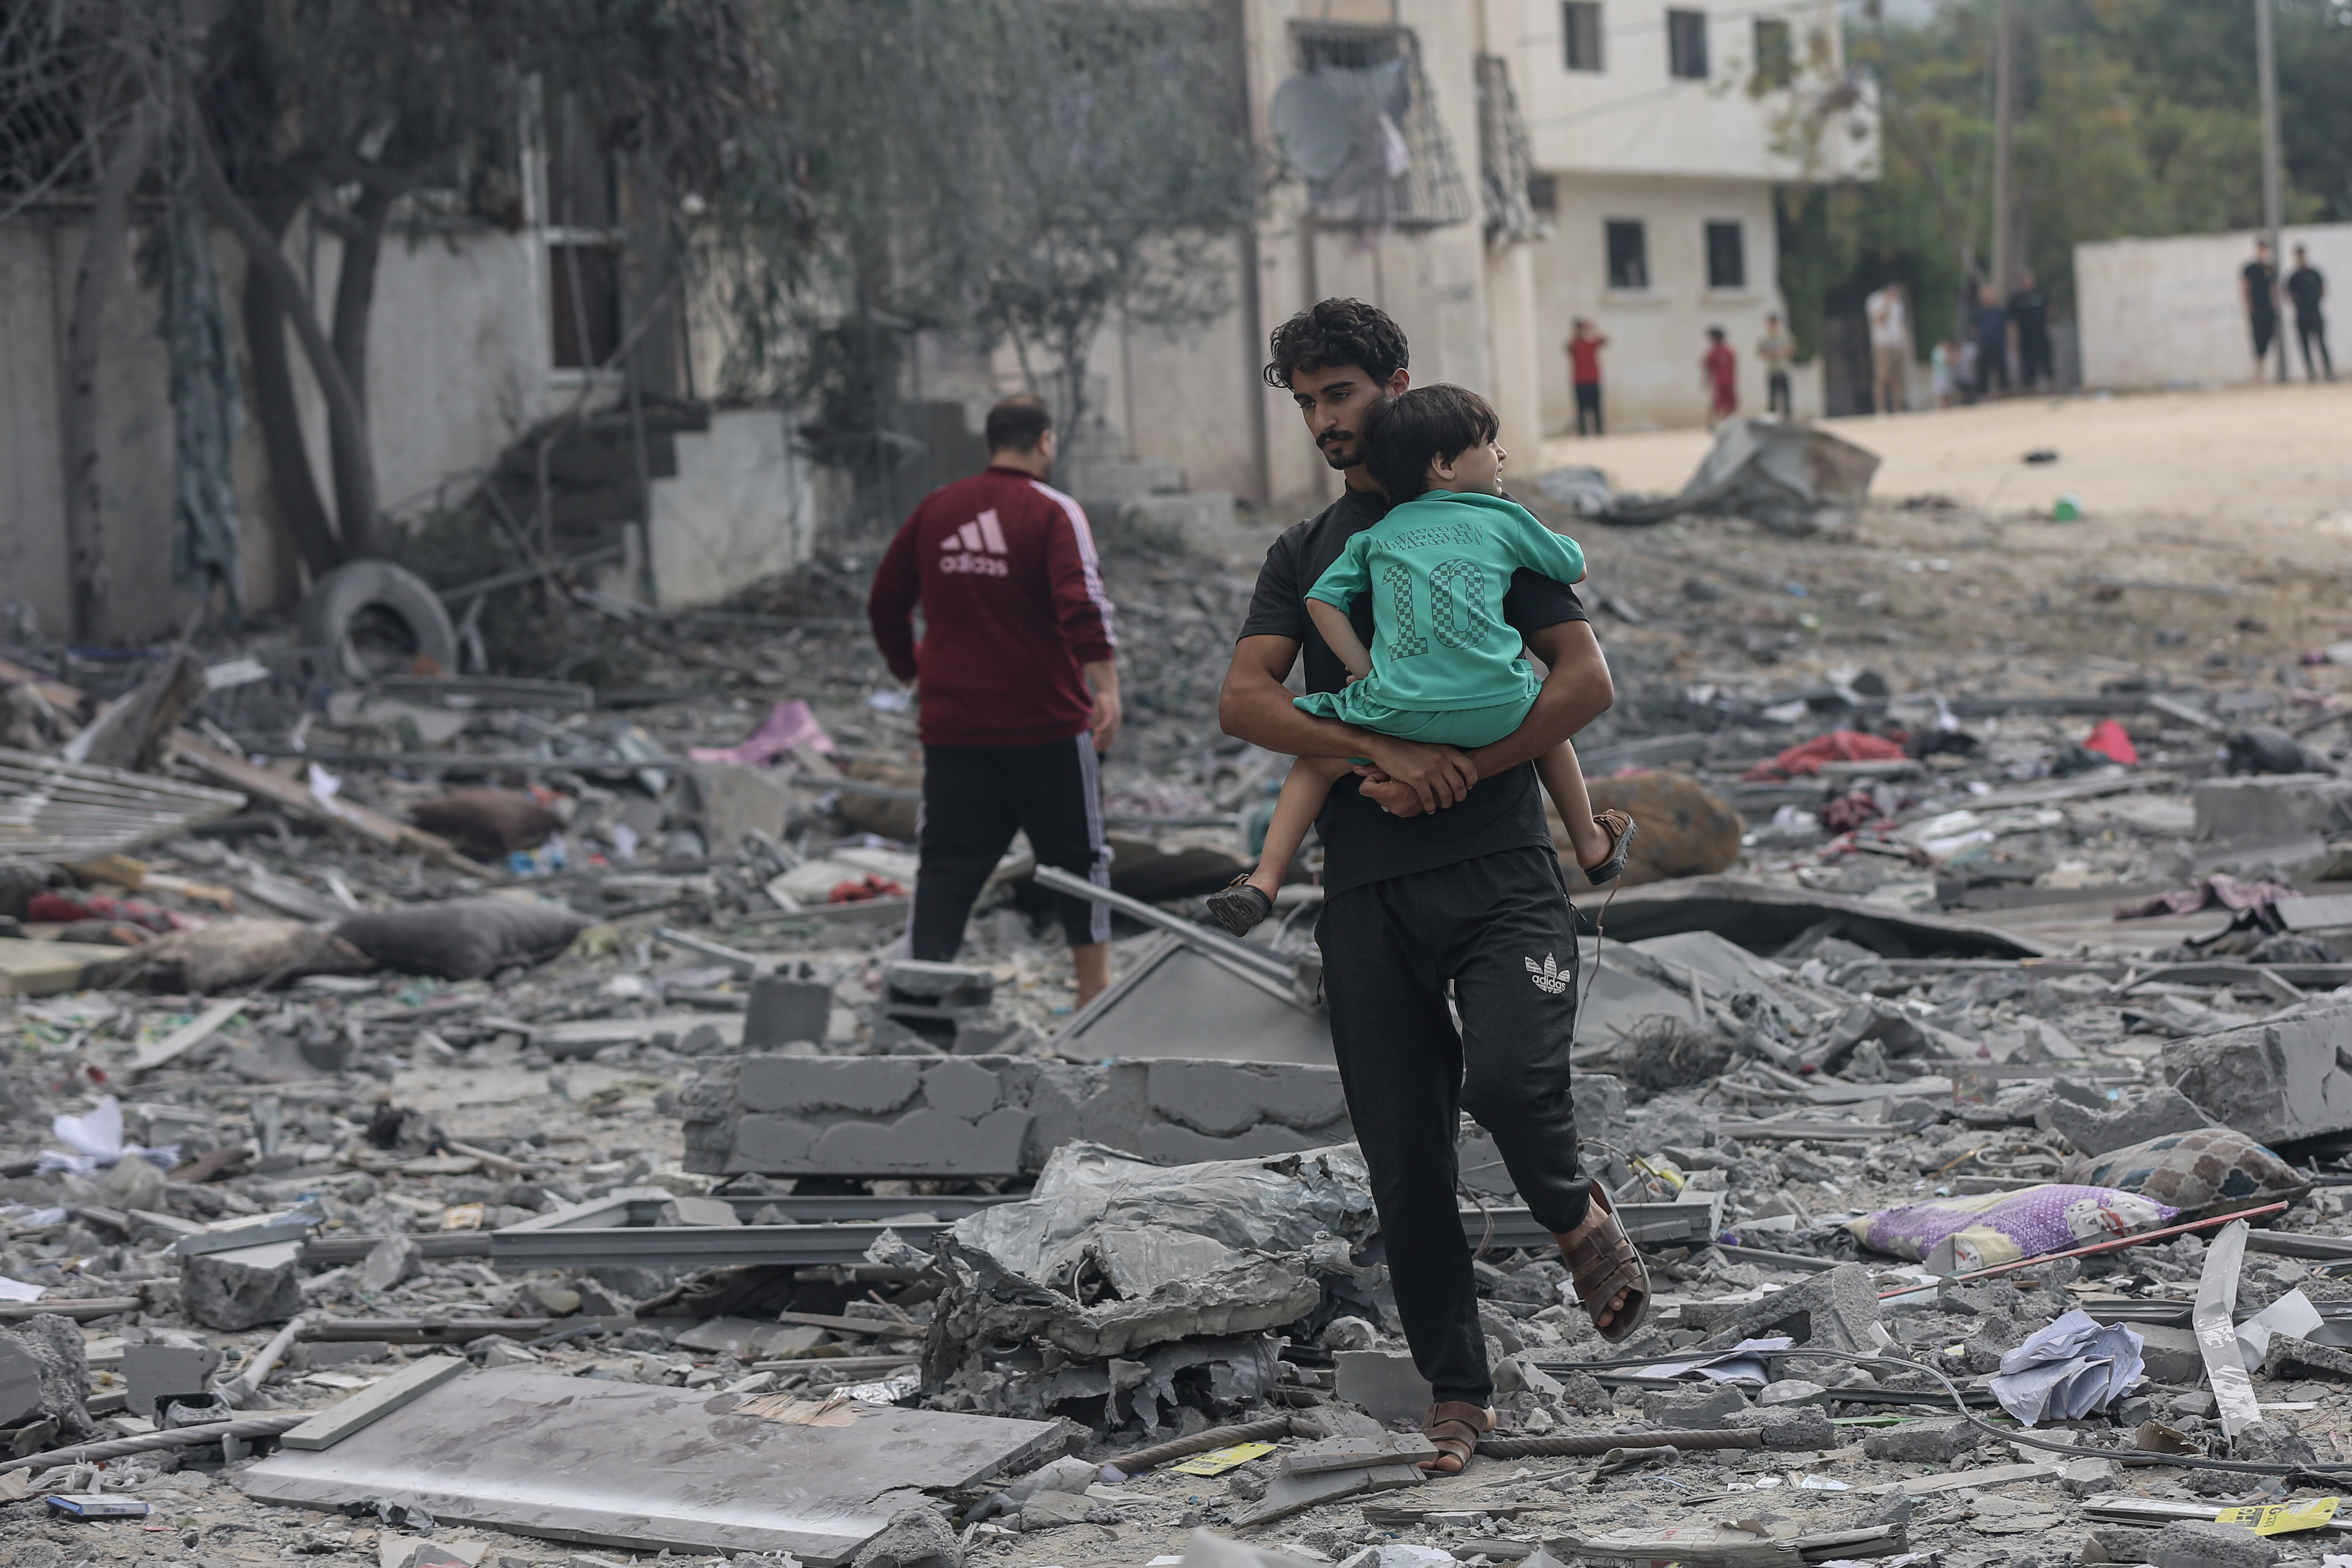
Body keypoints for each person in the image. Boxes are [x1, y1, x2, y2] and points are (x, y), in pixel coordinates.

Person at [1214, 298, 1648, 1479]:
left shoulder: (1480, 525)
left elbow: (1581, 679)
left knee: (1512, 1084)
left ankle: (1574, 1214)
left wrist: (1467, 770)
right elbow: (1247, 701)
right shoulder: (1308, 555)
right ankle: (1459, 1397)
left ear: (1394, 387)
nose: (1323, 423)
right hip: (1366, 890)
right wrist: (1386, 757)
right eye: (1304, 403)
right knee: (1405, 1160)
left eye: (1340, 396)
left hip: (1501, 873)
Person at [1205, 384, 1633, 937]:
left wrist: (1365, 670)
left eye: (1338, 393)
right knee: (1547, 720)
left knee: (1314, 758)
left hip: (1399, 707)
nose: (1502, 454)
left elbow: (1321, 601)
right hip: (1496, 710)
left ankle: (1264, 878)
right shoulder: (1503, 518)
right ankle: (1593, 842)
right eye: (1491, 443)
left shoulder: (1374, 535)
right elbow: (1571, 565)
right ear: (1444, 464)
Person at [866, 394, 1122, 1008]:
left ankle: (921, 999)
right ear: (1044, 443)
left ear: (989, 445)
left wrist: (911, 670)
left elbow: (884, 600)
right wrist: (1105, 685)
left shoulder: (937, 509)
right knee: (1076, 859)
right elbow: (1080, 602)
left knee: (948, 862)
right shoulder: (1054, 512)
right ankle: (1093, 995)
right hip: (1047, 727)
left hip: (955, 728)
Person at [2288, 245, 2332, 382]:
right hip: (2302, 315)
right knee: (2305, 346)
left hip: (2315, 313)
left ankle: (2329, 373)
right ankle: (2311, 375)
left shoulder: (2314, 273)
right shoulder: (2294, 278)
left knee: (2322, 343)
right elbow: (2289, 295)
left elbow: (2322, 290)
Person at [1864, 279, 1909, 414]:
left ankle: (1897, 409)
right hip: (1882, 344)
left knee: (1898, 379)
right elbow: (1879, 320)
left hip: (1897, 344)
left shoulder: (1898, 302)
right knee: (1882, 377)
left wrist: (1905, 343)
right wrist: (1888, 304)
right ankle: (1881, 409)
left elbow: (1900, 324)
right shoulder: (1875, 300)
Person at [2008, 269, 2052, 391]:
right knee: (2028, 364)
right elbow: (2012, 322)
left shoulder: (2041, 294)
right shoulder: (2016, 300)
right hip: (2025, 337)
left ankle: (2051, 387)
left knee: (2046, 361)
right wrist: (2014, 340)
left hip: (2041, 335)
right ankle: (2031, 390)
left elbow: (2049, 311)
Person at [2244, 238, 2279, 384]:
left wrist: (2275, 307)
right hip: (2257, 311)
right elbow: (2245, 288)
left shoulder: (2270, 268)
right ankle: (2259, 375)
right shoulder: (2250, 269)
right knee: (2258, 342)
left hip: (2269, 311)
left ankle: (2266, 374)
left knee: (2268, 341)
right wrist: (2249, 308)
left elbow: (2273, 289)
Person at [1565, 319, 1607, 436]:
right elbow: (1568, 348)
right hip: (1579, 382)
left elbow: (1604, 340)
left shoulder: (1592, 342)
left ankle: (1599, 431)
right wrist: (1578, 335)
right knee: (1581, 410)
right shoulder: (1575, 345)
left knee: (1597, 408)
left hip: (1593, 380)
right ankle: (1583, 433)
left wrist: (1592, 330)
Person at [1971, 283, 2010, 399]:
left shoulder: (2001, 311)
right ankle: (1984, 396)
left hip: (1999, 345)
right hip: (1984, 346)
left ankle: (2004, 394)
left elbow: (2009, 327)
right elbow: (1974, 330)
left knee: (2002, 372)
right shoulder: (1977, 313)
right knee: (1983, 373)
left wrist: (2012, 342)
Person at [1757, 313, 1795, 417]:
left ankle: (1788, 414)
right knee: (1772, 394)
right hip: (1772, 369)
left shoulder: (1784, 335)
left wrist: (1781, 352)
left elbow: (1792, 349)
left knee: (1786, 393)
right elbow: (1760, 352)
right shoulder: (1765, 338)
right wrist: (1769, 353)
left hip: (1783, 368)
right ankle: (1772, 415)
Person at [1701, 327, 1737, 427]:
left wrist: (1705, 380)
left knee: (1720, 403)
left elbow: (1707, 368)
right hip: (1728, 381)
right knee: (1724, 403)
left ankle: (1721, 424)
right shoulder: (1729, 351)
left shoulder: (1714, 352)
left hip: (1721, 381)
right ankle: (1722, 423)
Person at [1930, 337, 1955, 409]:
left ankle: (1947, 406)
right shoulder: (1938, 351)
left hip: (1945, 375)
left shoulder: (1943, 351)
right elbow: (1945, 361)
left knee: (1947, 393)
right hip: (1940, 376)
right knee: (1942, 393)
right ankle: (1943, 407)